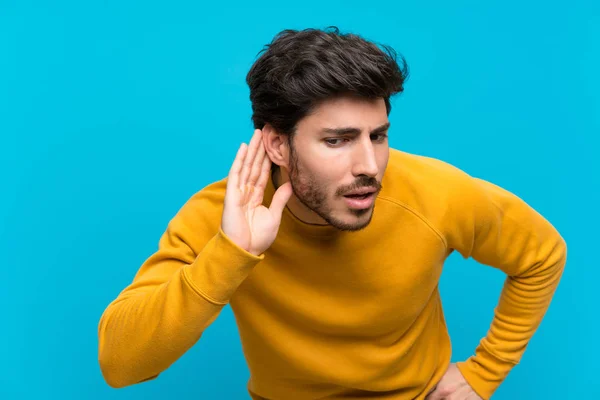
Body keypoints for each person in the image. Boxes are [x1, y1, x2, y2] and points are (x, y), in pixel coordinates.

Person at [97, 27, 567, 400]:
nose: (369, 166)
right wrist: (231, 254)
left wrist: (484, 373)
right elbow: (120, 365)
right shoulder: (222, 216)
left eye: (378, 136)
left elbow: (542, 254)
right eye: (337, 140)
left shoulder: (432, 192)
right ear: (278, 144)